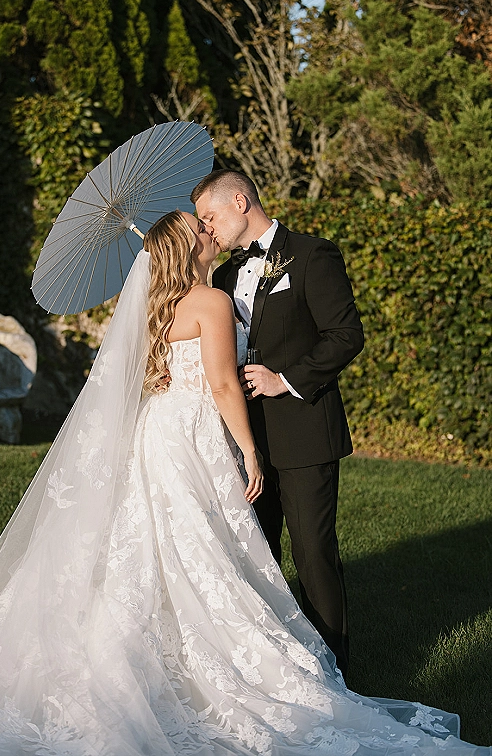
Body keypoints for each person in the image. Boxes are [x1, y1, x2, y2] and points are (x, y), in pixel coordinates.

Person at [0, 211, 487, 756]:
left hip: (156, 430)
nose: (209, 230)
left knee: (159, 547)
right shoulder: (210, 299)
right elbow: (221, 384)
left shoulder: (154, 307)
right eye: (199, 228)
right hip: (192, 433)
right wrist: (248, 449)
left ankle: (166, 652)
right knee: (200, 546)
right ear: (191, 249)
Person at [192, 169, 364, 676]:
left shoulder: (313, 255)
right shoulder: (220, 279)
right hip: (244, 437)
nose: (207, 229)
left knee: (312, 556)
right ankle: (274, 669)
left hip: (305, 431)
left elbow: (345, 335)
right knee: (255, 557)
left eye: (210, 216)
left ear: (240, 201)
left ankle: (335, 670)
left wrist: (284, 378)